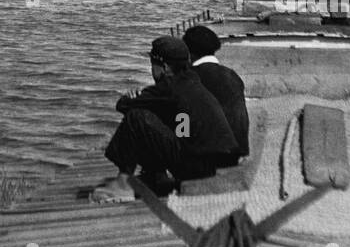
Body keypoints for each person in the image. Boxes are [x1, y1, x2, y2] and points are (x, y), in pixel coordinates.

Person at [91, 36, 237, 202]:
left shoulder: (168, 87)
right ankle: (156, 177)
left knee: (137, 117)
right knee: (161, 118)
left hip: (197, 170)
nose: (151, 70)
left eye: (153, 65)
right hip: (218, 165)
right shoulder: (191, 80)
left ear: (165, 67)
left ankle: (124, 183)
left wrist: (132, 98)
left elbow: (123, 105)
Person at [182, 25, 250, 161]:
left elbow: (183, 116)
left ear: (189, 53)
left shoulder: (191, 76)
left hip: (209, 155)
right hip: (238, 150)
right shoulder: (232, 75)